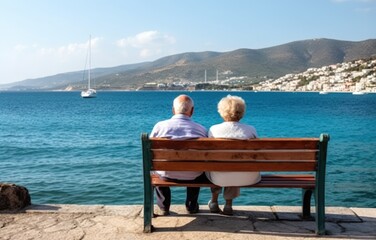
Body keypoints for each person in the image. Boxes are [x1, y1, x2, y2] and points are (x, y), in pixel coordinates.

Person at [150, 94, 207, 216]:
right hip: (193, 175)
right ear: (192, 111)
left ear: (173, 110)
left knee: (157, 170)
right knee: (196, 168)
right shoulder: (201, 129)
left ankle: (164, 206)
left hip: (165, 174)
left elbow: (151, 152)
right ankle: (191, 206)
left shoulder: (160, 127)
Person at [206, 95, 261, 215]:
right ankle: (228, 205)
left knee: (217, 165)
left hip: (218, 176)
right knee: (237, 164)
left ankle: (214, 201)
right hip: (247, 177)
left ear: (222, 112)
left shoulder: (213, 130)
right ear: (242, 112)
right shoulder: (250, 130)